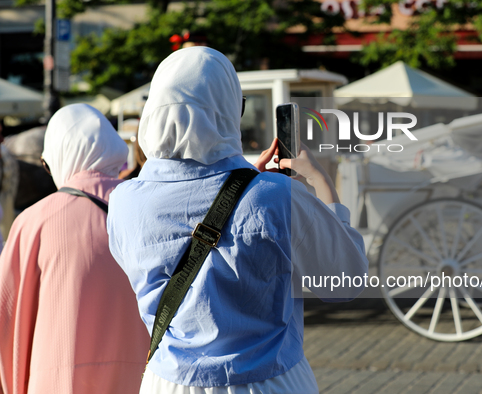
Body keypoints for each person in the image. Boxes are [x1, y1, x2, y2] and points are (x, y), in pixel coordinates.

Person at [107, 47, 369, 393]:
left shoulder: (124, 201)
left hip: (169, 383)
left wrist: (243, 189)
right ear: (229, 112)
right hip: (267, 383)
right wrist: (319, 183)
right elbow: (345, 281)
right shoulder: (275, 195)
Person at [0, 103, 150, 394]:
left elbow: (5, 319)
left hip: (58, 382)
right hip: (143, 382)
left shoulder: (35, 221)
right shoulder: (150, 210)